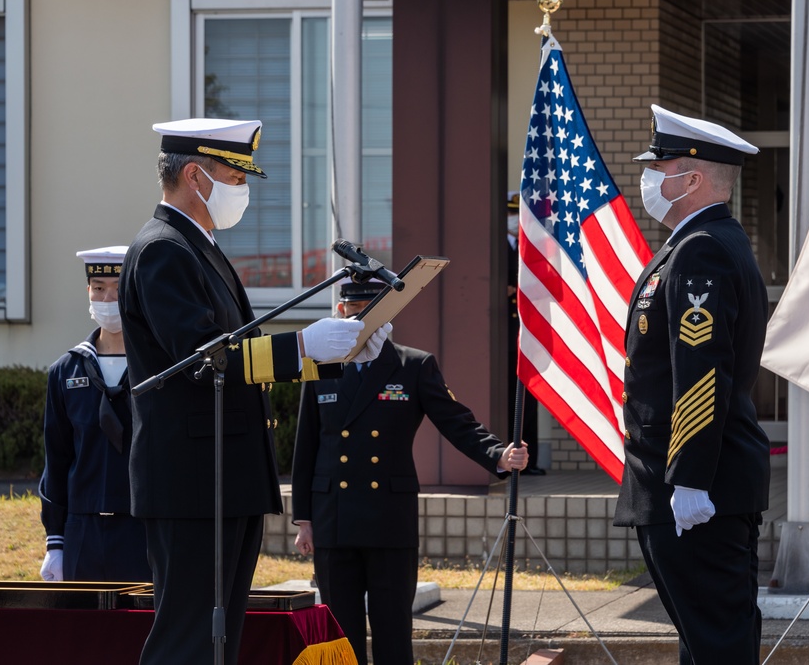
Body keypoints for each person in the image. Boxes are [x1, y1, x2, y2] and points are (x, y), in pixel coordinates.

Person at [118, 117, 388, 665]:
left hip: (221, 476)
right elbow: (203, 358)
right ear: (195, 176)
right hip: (192, 480)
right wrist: (304, 347)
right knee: (188, 636)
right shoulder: (163, 250)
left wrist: (336, 355)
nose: (243, 192)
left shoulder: (201, 248)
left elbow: (243, 361)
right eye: (235, 178)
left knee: (218, 640)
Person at [291, 280, 529, 665]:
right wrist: (304, 519)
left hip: (388, 517)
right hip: (334, 516)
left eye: (372, 314)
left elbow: (457, 422)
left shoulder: (412, 365)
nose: (363, 324)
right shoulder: (320, 367)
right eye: (355, 315)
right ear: (340, 314)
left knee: (392, 630)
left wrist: (498, 455)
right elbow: (307, 447)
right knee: (340, 637)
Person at [612, 104, 770, 665]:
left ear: (693, 178)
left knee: (717, 644)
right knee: (706, 642)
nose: (650, 178)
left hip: (697, 487)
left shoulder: (700, 249)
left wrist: (691, 480)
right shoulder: (700, 243)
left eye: (661, 167)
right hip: (690, 482)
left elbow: (702, 373)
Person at [38, 246, 152, 583]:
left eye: (118, 289)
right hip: (83, 530)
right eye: (99, 288)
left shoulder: (158, 368)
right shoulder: (65, 371)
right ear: (87, 292)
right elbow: (56, 459)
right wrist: (55, 541)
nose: (107, 298)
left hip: (144, 527)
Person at [506, 191, 544, 475]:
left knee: (528, 399)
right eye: (510, 213)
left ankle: (529, 459)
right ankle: (508, 458)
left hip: (528, 334)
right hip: (504, 338)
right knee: (508, 398)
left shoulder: (530, 247)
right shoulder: (496, 247)